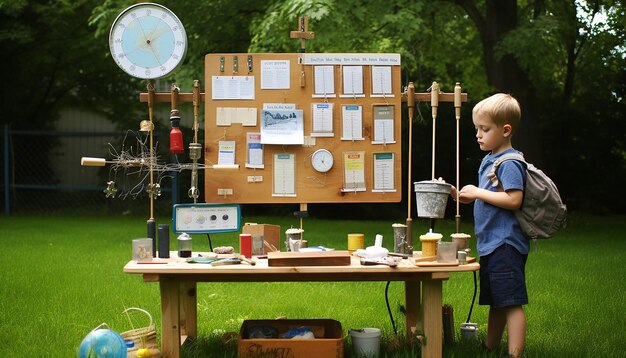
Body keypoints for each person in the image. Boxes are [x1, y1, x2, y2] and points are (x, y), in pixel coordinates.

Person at [451, 93, 529, 358]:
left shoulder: (509, 163)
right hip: (491, 245)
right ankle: (489, 348)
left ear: (505, 130)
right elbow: (488, 199)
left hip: (506, 243)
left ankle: (514, 354)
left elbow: (514, 200)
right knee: (497, 300)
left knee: (512, 302)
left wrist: (478, 193)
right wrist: (457, 194)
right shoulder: (490, 160)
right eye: (476, 129)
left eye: (485, 129)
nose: (478, 135)